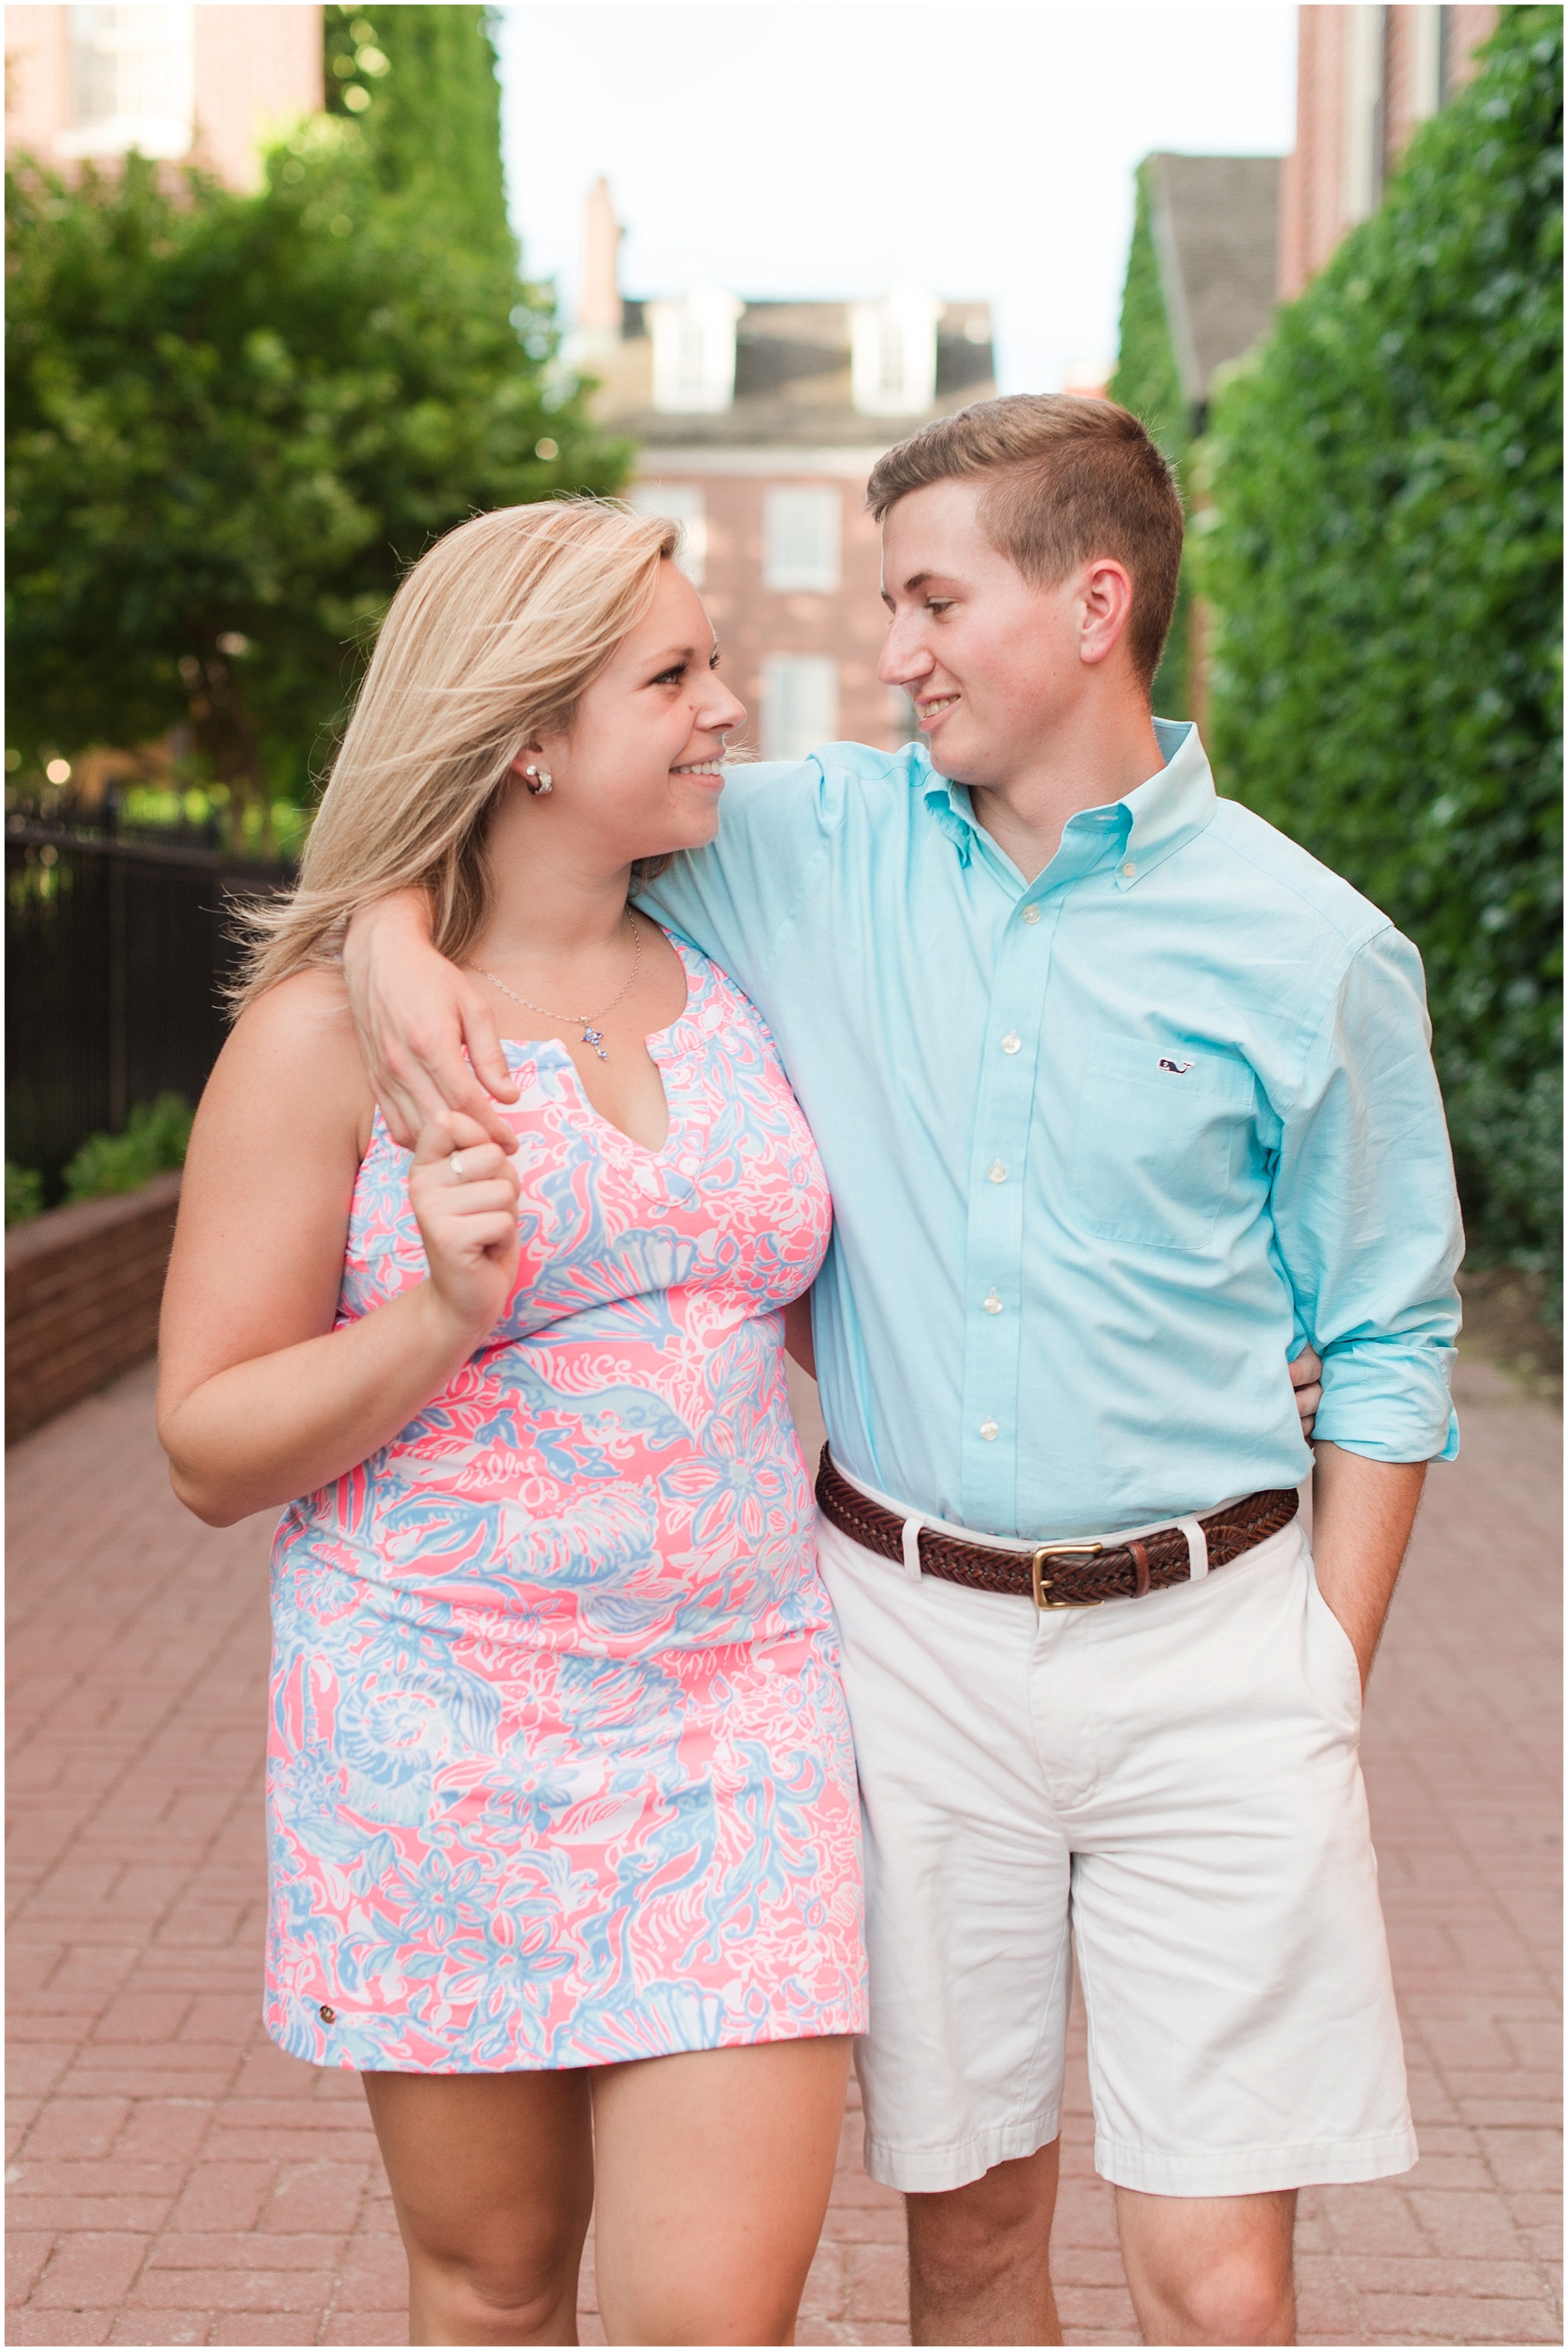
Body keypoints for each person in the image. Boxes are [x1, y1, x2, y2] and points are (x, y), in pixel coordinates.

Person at [345, 397, 1463, 2349]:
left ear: (1092, 602)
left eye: (932, 599)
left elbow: (1385, 1332)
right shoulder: (801, 847)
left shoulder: (1316, 949)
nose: (891, 654)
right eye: (886, 603)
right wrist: (374, 937)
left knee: (1219, 2281)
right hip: (900, 1647)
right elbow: (500, 820)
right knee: (966, 2243)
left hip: (1218, 1653)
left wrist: (1319, 1666)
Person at [156, 500, 868, 2349]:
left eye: (712, 663)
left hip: (741, 1722)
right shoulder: (334, 1036)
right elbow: (207, 1446)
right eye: (673, 674)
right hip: (434, 1728)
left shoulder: (744, 978)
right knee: (490, 2288)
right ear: (527, 733)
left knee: (716, 2317)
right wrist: (437, 1317)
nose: (725, 707)